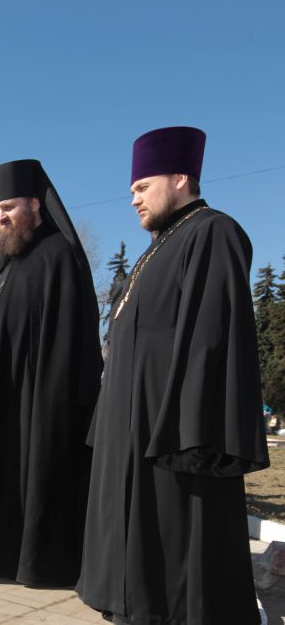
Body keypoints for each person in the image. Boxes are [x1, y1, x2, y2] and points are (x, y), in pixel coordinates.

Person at [76, 127, 269, 623]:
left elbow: (212, 337)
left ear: (180, 178)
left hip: (174, 434)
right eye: (132, 191)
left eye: (143, 187)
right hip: (130, 430)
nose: (134, 199)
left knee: (178, 578)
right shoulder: (156, 249)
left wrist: (191, 433)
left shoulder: (212, 232)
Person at [0, 159, 102, 587]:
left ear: (35, 204)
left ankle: (22, 558)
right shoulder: (0, 263)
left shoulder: (59, 255)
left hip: (29, 401)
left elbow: (66, 341)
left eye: (8, 207)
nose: (1, 217)